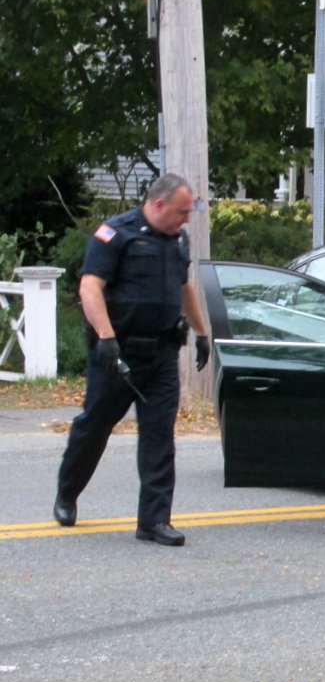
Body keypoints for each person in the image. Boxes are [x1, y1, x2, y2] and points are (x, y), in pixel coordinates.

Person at [54, 173, 211, 547]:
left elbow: (184, 286)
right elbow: (90, 287)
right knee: (94, 427)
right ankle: (67, 493)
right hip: (118, 354)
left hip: (161, 354)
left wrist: (202, 332)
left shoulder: (177, 239)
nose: (186, 219)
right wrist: (106, 339)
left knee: (159, 435)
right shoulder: (115, 234)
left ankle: (154, 521)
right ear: (158, 204)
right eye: (182, 212)